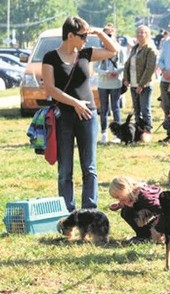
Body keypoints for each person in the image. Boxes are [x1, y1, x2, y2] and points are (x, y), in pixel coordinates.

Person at [42, 16, 119, 212]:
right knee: (65, 168)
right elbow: (50, 89)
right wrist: (75, 103)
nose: (86, 39)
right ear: (70, 35)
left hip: (88, 116)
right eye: (83, 35)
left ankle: (89, 210)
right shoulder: (50, 57)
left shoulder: (86, 53)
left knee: (89, 167)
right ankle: (68, 212)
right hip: (64, 116)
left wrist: (100, 33)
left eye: (87, 35)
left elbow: (113, 50)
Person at [123, 25, 158, 135]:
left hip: (145, 85)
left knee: (145, 110)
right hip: (133, 83)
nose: (140, 35)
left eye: (143, 32)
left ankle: (147, 131)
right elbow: (127, 64)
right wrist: (126, 78)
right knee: (136, 110)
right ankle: (138, 133)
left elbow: (149, 69)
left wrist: (141, 85)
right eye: (138, 32)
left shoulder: (150, 49)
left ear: (148, 35)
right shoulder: (135, 48)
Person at [94, 23, 125, 144]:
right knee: (103, 108)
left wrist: (115, 72)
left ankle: (118, 134)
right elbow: (95, 67)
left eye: (110, 35)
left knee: (116, 107)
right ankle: (104, 132)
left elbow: (123, 64)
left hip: (115, 82)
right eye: (104, 36)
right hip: (102, 82)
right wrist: (105, 73)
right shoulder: (100, 50)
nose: (107, 38)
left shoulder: (119, 49)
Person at [108, 175, 162, 243]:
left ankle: (146, 236)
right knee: (126, 211)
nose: (119, 199)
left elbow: (163, 210)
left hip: (168, 217)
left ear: (124, 189)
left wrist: (157, 228)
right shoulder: (132, 194)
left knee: (127, 212)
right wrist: (119, 205)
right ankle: (143, 235)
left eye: (119, 197)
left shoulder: (145, 197)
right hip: (152, 213)